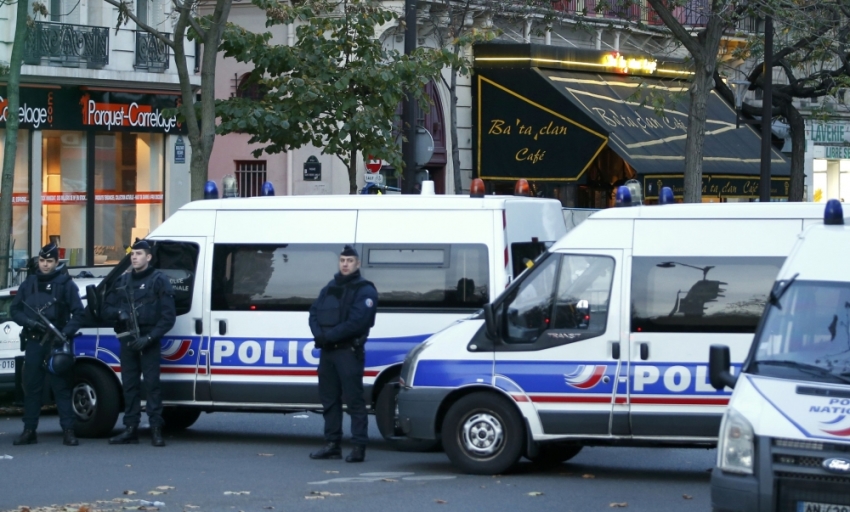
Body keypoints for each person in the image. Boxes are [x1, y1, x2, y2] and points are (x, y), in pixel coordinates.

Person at [308, 245, 378, 463]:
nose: (345, 264)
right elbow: (314, 313)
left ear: (357, 264)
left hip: (348, 352)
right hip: (328, 353)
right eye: (342, 260)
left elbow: (358, 322)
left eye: (349, 260)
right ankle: (332, 444)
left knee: (354, 401)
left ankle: (358, 446)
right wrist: (319, 335)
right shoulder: (330, 287)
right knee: (329, 400)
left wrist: (327, 337)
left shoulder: (365, 289)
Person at [103, 239, 176, 447]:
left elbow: (168, 317)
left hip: (149, 338)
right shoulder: (122, 281)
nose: (134, 257)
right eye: (132, 254)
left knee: (152, 386)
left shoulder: (159, 280)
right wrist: (119, 313)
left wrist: (150, 338)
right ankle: (130, 428)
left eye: (139, 254)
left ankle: (155, 428)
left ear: (149, 257)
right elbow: (106, 309)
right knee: (130, 385)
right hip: (128, 338)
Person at [10, 243, 84, 446]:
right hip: (34, 341)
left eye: (49, 261)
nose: (44, 265)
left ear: (56, 262)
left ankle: (68, 430)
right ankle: (29, 430)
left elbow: (79, 313)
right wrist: (29, 322)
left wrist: (65, 333)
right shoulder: (29, 283)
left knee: (61, 388)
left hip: (56, 343)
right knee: (32, 388)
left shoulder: (65, 284)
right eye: (42, 261)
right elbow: (15, 310)